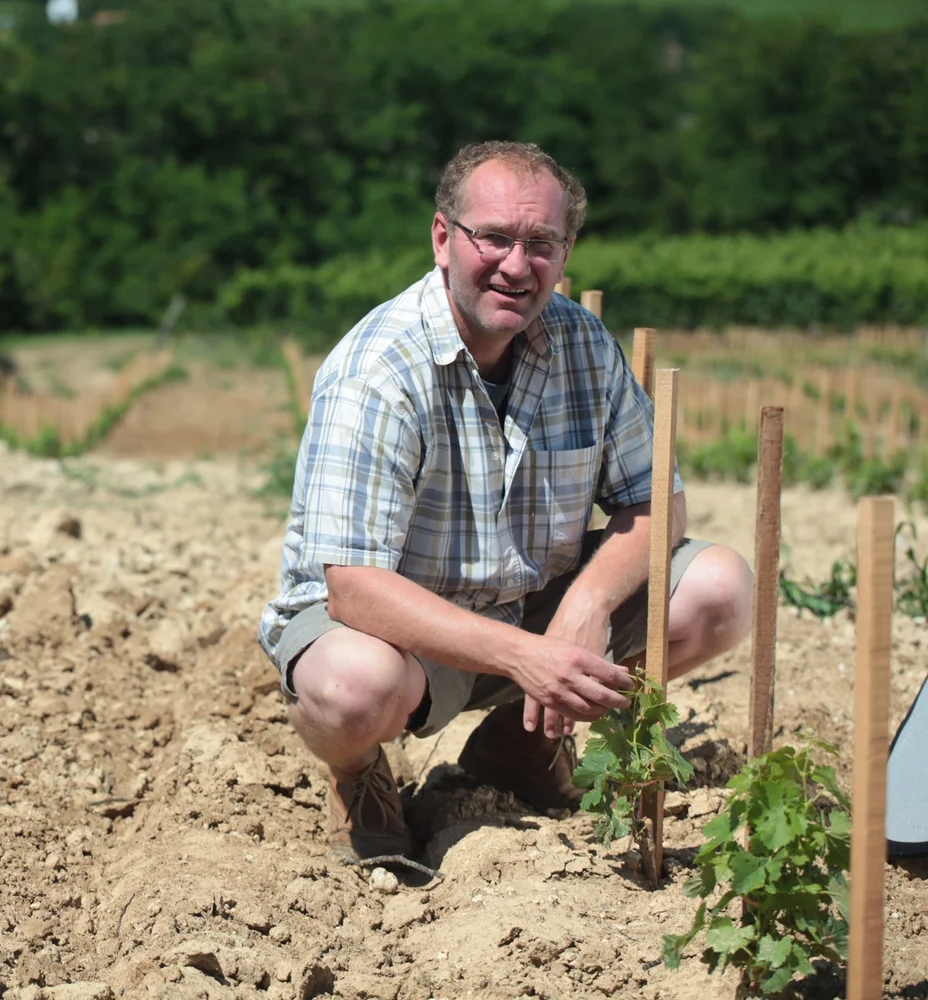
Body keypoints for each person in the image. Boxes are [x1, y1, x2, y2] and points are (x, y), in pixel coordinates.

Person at [256, 141, 754, 864]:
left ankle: (517, 744)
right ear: (442, 239)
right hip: (395, 630)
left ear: (566, 251)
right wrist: (530, 657)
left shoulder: (584, 345)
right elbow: (355, 588)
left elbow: (657, 505)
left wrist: (585, 606)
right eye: (493, 237)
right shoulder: (379, 370)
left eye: (541, 243)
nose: (517, 266)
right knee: (349, 688)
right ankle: (359, 774)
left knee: (720, 589)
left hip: (530, 598)